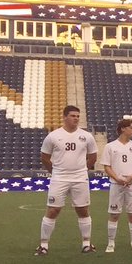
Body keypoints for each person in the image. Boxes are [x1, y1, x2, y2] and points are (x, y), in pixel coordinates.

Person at [36, 105, 98, 255]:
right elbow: (44, 157)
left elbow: (93, 156)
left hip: (80, 178)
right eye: (72, 115)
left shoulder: (86, 136)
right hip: (60, 177)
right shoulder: (53, 136)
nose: (76, 118)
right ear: (64, 117)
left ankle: (86, 243)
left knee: (82, 209)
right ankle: (44, 245)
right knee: (53, 209)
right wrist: (55, 171)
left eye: (77, 116)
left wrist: (83, 169)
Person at [101, 118, 132, 253]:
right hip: (116, 184)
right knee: (114, 214)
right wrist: (117, 178)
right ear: (123, 129)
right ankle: (110, 243)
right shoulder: (110, 146)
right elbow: (107, 166)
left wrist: (131, 178)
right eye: (131, 128)